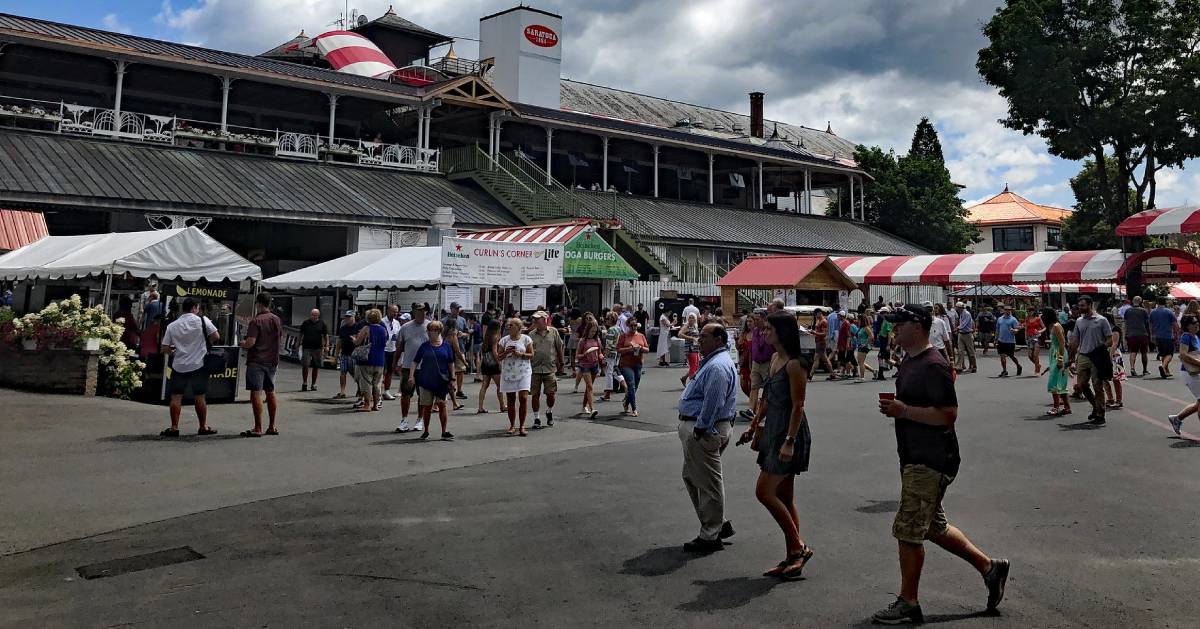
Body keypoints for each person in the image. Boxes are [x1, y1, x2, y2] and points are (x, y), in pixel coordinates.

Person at [872, 304, 1009, 624]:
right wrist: (899, 409)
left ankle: (909, 602)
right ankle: (991, 568)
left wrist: (903, 411)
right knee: (933, 526)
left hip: (931, 458)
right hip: (915, 455)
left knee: (908, 531)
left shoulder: (933, 364)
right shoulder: (909, 360)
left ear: (918, 326)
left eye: (900, 324)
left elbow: (948, 414)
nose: (894, 329)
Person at [739, 312, 814, 578]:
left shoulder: (795, 364)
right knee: (784, 497)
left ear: (782, 332)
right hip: (773, 429)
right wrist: (753, 424)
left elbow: (798, 405)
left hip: (789, 432)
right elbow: (768, 398)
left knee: (764, 492)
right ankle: (792, 555)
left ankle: (799, 548)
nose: (764, 333)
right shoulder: (774, 359)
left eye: (768, 329)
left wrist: (789, 442)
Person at [676, 322, 738, 552]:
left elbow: (713, 402)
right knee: (693, 476)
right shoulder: (714, 363)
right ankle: (717, 524)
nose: (699, 340)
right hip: (700, 428)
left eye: (704, 336)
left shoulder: (717, 367)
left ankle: (711, 534)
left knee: (708, 482)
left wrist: (700, 429)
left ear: (719, 339)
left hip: (704, 430)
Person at [159, 297, 219, 437]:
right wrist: (204, 344)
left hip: (179, 365)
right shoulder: (203, 320)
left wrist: (174, 352)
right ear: (194, 308)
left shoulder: (172, 326)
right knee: (200, 396)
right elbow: (216, 336)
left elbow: (164, 347)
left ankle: (174, 427)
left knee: (176, 396)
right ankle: (203, 426)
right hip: (199, 364)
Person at [240, 292, 283, 437]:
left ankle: (258, 427)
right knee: (270, 391)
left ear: (258, 303)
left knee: (256, 393)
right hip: (272, 360)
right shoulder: (276, 319)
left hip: (257, 360)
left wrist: (242, 343)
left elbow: (251, 342)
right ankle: (272, 426)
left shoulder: (256, 321)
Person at [1067, 295, 1114, 426]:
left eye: (1083, 305)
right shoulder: (1079, 321)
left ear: (1090, 305)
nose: (1080, 308)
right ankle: (1096, 406)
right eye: (1079, 306)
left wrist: (1100, 349)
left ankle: (1100, 414)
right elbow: (1075, 340)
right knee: (1081, 385)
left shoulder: (1101, 320)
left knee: (1097, 385)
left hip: (1097, 356)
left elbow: (1110, 340)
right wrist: (1070, 357)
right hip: (1083, 355)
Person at [409, 320, 456, 441]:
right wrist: (411, 376)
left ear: (439, 331)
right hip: (426, 380)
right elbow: (415, 361)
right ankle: (426, 430)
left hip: (441, 381)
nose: (430, 333)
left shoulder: (446, 346)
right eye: (429, 330)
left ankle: (444, 431)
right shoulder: (424, 346)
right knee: (427, 406)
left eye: (433, 330)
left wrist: (453, 378)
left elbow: (451, 363)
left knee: (442, 405)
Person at [394, 305, 430, 434]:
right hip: (408, 366)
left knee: (422, 395)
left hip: (425, 367)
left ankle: (420, 419)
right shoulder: (405, 327)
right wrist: (395, 363)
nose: (421, 313)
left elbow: (437, 344)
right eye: (419, 311)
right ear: (414, 312)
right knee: (405, 394)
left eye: (423, 311)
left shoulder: (431, 326)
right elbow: (399, 347)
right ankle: (404, 420)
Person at [498, 317, 534, 436]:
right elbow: (498, 357)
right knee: (511, 400)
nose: (509, 327)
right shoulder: (504, 340)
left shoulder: (526, 339)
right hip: (508, 372)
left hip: (523, 371)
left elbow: (531, 354)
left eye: (512, 325)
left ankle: (522, 426)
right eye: (508, 325)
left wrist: (520, 354)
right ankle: (512, 425)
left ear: (519, 327)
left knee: (523, 398)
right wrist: (506, 352)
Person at [528, 311, 564, 428]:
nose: (535, 321)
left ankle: (549, 411)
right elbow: (528, 351)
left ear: (545, 320)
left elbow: (559, 347)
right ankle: (536, 418)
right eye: (534, 319)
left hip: (550, 368)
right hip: (535, 368)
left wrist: (561, 362)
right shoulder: (531, 334)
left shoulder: (553, 332)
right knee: (535, 394)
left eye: (538, 319)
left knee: (551, 394)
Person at [352, 308, 389, 412]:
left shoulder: (366, 328)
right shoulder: (383, 329)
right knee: (377, 384)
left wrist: (354, 339)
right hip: (380, 359)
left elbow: (358, 342)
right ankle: (376, 404)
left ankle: (367, 404)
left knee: (366, 382)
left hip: (367, 359)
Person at [1169, 315, 1200, 435]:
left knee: (1198, 402)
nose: (1197, 324)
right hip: (1189, 373)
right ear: (1187, 326)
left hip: (1196, 372)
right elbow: (1183, 354)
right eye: (1194, 322)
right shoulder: (1186, 337)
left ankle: (1177, 419)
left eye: (1197, 321)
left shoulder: (1196, 337)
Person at [1042, 308, 1072, 416]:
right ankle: (1067, 407)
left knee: (1053, 381)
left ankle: (1056, 407)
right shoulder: (1053, 326)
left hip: (1059, 354)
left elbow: (1062, 343)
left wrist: (1060, 360)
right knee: (1060, 381)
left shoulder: (1056, 326)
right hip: (1054, 353)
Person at [617, 319, 650, 417]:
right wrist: (629, 349)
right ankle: (634, 408)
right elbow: (618, 349)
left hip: (638, 363)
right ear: (628, 326)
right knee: (631, 385)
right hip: (626, 364)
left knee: (635, 385)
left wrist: (640, 348)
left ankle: (626, 401)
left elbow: (647, 349)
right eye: (631, 326)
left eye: (635, 325)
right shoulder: (623, 336)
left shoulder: (641, 336)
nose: (634, 327)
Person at [746, 311, 774, 418]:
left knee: (768, 388)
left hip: (767, 363)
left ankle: (766, 410)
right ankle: (751, 410)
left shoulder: (769, 332)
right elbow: (752, 349)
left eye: (757, 320)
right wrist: (750, 363)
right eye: (755, 320)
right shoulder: (755, 331)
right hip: (756, 363)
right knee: (754, 387)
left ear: (763, 319)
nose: (755, 322)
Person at [476, 318, 506, 414]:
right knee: (500, 386)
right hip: (493, 364)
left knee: (484, 385)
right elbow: (494, 352)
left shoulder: (486, 336)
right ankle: (502, 405)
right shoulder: (495, 337)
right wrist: (499, 363)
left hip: (485, 363)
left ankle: (480, 407)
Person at [575, 317, 603, 419]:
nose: (593, 333)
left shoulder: (597, 340)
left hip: (594, 365)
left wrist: (601, 357)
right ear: (588, 330)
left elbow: (599, 353)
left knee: (588, 387)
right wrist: (585, 354)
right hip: (585, 365)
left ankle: (584, 406)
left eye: (595, 331)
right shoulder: (583, 341)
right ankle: (592, 409)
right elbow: (578, 355)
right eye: (591, 331)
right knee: (590, 386)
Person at [298, 308, 328, 392]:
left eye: (315, 315)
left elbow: (326, 335)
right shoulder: (305, 323)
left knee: (316, 366)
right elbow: (300, 334)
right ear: (310, 315)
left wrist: (327, 345)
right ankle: (304, 383)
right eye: (312, 315)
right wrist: (298, 343)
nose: (314, 317)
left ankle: (313, 384)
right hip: (307, 347)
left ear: (318, 316)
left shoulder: (322, 323)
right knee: (305, 365)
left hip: (318, 348)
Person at [1150, 299, 1180, 378]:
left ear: (1157, 303)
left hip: (1157, 336)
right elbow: (1175, 324)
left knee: (1163, 353)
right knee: (1170, 354)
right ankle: (1163, 366)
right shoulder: (1169, 312)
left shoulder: (1153, 312)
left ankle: (1166, 371)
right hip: (1167, 335)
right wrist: (1178, 333)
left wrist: (1151, 335)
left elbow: (1151, 324)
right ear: (1165, 303)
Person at [334, 311, 360, 399]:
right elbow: (339, 342)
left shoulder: (358, 327)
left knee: (355, 374)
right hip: (344, 354)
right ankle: (342, 391)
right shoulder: (343, 328)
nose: (347, 319)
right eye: (346, 317)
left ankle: (360, 389)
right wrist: (336, 355)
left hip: (354, 354)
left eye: (349, 317)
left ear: (353, 317)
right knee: (342, 372)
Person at [1102, 313, 1125, 409]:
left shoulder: (1115, 329)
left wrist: (1109, 358)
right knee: (1104, 378)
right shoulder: (1103, 330)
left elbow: (1114, 344)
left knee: (1116, 378)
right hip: (1105, 353)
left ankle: (1119, 400)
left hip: (1114, 354)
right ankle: (1110, 398)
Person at [1124, 296, 1150, 376]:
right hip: (1142, 333)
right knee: (1144, 352)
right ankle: (1145, 369)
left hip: (1131, 334)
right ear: (1140, 302)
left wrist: (1126, 333)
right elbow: (1147, 322)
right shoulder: (1143, 311)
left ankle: (1132, 368)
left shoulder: (1128, 311)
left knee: (1133, 351)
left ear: (1133, 301)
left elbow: (1126, 323)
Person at [994, 305, 1023, 377]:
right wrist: (995, 339)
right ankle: (1004, 370)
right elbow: (997, 330)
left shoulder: (1013, 319)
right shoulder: (1000, 319)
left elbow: (1017, 329)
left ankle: (1018, 365)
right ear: (1003, 310)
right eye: (1006, 310)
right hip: (1001, 340)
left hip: (1010, 341)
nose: (1008, 311)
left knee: (1011, 356)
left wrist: (1014, 330)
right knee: (1002, 356)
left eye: (1009, 310)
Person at [952, 302, 976, 373]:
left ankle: (973, 366)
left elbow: (964, 324)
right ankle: (958, 366)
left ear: (960, 307)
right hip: (961, 333)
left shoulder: (967, 314)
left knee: (970, 351)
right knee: (960, 351)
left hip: (967, 334)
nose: (956, 308)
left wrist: (957, 328)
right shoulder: (961, 314)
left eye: (957, 307)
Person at [679, 312, 701, 386]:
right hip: (690, 348)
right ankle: (692, 384)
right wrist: (690, 338)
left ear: (695, 319)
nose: (690, 319)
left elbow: (696, 337)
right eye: (689, 317)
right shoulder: (687, 326)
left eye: (692, 317)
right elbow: (680, 334)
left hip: (696, 348)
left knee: (697, 366)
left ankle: (684, 378)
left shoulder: (695, 326)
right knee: (693, 366)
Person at [812, 310, 834, 378]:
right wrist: (812, 331)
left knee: (816, 358)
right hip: (818, 341)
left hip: (821, 342)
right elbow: (818, 331)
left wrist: (815, 333)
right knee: (825, 359)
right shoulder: (818, 320)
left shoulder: (824, 322)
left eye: (816, 315)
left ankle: (810, 374)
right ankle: (832, 374)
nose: (815, 316)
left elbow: (824, 334)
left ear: (819, 313)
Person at [1024, 308, 1043, 376]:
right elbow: (1026, 329)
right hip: (1029, 338)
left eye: (1030, 311)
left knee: (1035, 355)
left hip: (1036, 337)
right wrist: (1025, 338)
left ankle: (1037, 370)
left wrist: (1039, 331)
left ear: (1033, 311)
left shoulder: (1038, 319)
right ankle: (1038, 365)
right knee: (1030, 356)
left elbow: (1044, 327)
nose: (1029, 312)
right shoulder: (1027, 319)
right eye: (1028, 311)